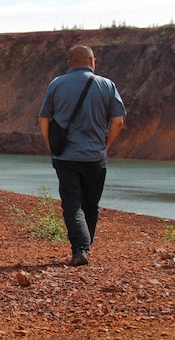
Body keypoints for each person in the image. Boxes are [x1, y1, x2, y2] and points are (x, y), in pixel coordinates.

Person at [38, 45, 126, 267]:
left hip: (66, 157)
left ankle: (80, 248)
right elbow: (118, 120)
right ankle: (84, 247)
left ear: (70, 63)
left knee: (72, 203)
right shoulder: (107, 85)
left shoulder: (57, 84)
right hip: (95, 157)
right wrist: (105, 144)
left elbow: (44, 118)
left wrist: (52, 145)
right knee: (90, 204)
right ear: (92, 61)